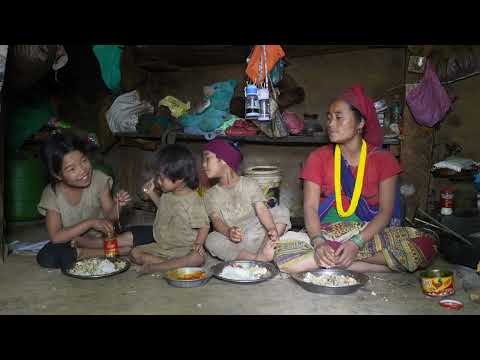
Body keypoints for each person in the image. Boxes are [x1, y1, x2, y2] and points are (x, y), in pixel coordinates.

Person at [273, 85, 437, 273]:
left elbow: (385, 212)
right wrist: (318, 242)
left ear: (360, 124)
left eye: (339, 117)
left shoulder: (384, 160)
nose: (331, 124)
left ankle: (337, 262)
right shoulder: (317, 158)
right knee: (281, 252)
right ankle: (370, 265)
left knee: (426, 245)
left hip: (367, 235)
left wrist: (355, 244)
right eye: (329, 118)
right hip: (328, 234)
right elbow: (310, 207)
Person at [36, 133, 133, 269]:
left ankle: (90, 248)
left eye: (84, 161)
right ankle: (98, 251)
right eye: (72, 169)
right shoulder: (52, 194)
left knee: (148, 234)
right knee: (48, 256)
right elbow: (56, 237)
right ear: (57, 175)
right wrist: (90, 223)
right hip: (71, 242)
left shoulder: (99, 179)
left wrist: (118, 205)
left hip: (103, 238)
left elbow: (111, 218)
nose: (82, 170)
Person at [202, 139, 291, 262]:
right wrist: (228, 232)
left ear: (223, 160)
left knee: (281, 210)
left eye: (207, 159)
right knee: (211, 240)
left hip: (258, 235)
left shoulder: (249, 184)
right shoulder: (210, 195)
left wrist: (271, 229)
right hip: (235, 242)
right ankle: (257, 258)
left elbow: (261, 210)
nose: (203, 164)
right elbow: (216, 221)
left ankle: (266, 248)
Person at [129, 144, 210, 274]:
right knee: (134, 252)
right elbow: (163, 208)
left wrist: (198, 244)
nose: (159, 182)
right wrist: (151, 193)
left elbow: (204, 225)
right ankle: (170, 265)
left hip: (184, 249)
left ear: (180, 179)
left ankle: (155, 266)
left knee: (197, 258)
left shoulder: (193, 200)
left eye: (162, 178)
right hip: (162, 247)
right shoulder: (167, 195)